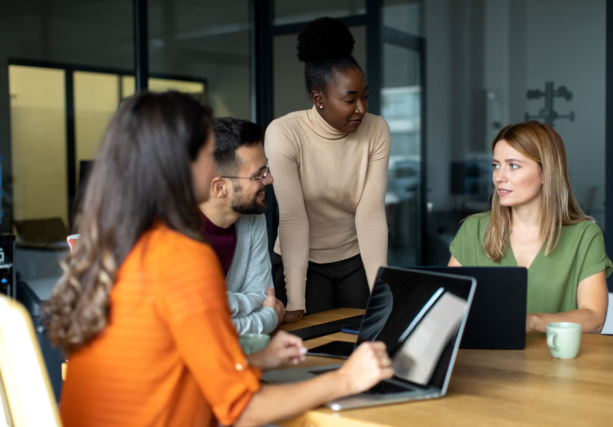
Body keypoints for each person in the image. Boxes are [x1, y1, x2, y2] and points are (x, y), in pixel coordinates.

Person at [41, 91, 393, 427]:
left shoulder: (127, 241)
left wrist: (254, 360)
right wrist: (347, 379)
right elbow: (240, 410)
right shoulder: (181, 255)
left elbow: (169, 366)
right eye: (209, 153)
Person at [266, 17, 390, 321]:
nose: (361, 108)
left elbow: (371, 213)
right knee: (310, 338)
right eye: (350, 100)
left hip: (354, 256)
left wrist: (380, 292)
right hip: (302, 258)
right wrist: (295, 300)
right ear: (318, 99)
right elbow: (293, 219)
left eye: (365, 96)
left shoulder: (377, 129)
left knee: (367, 332)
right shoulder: (284, 133)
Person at [448, 121, 613, 334]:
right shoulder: (473, 229)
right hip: (483, 362)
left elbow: (594, 317)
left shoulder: (584, 236)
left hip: (557, 364)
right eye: (496, 165)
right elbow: (448, 305)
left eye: (513, 165)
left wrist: (531, 322)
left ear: (546, 173)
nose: (499, 177)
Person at [200, 117, 284, 334]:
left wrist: (216, 306)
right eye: (258, 175)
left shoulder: (252, 216)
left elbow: (263, 294)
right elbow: (199, 329)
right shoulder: (171, 232)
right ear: (219, 187)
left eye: (266, 170)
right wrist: (268, 317)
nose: (270, 179)